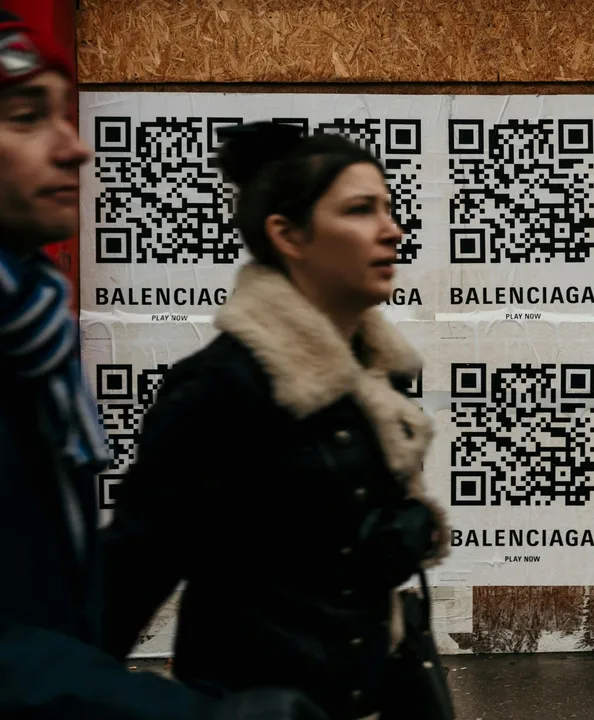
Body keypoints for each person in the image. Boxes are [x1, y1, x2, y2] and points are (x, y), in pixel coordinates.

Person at [0, 11, 328, 720]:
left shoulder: (32, 335)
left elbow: (69, 598)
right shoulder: (220, 380)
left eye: (64, 113)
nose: (76, 148)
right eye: (26, 117)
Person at [101, 122, 450, 720]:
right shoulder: (223, 387)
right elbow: (125, 583)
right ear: (288, 235)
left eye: (388, 207)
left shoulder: (371, 377)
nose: (391, 229)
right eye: (360, 210)